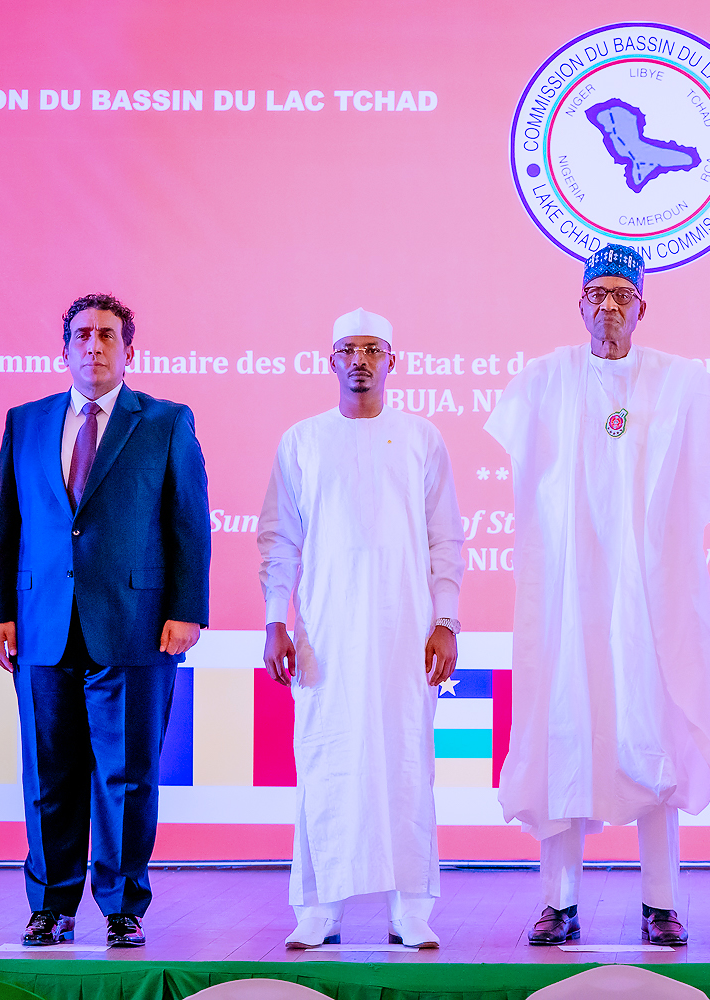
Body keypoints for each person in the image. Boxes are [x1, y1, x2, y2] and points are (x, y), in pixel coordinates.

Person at [486, 244, 710, 947]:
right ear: (578, 305)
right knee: (568, 730)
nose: (609, 307)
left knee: (654, 732)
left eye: (622, 295)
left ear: (643, 306)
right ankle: (558, 903)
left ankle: (661, 904)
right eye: (596, 294)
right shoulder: (541, 382)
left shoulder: (682, 384)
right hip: (569, 597)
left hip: (653, 598)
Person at [0, 293, 211, 947]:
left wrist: (186, 611)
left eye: (107, 335)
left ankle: (122, 906)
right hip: (41, 626)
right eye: (82, 335)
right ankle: (50, 908)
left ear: (127, 349)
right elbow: (6, 523)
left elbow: (188, 523)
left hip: (136, 624)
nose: (93, 345)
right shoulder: (25, 422)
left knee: (127, 774)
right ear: (64, 348)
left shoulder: (165, 421)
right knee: (47, 774)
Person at [258, 307, 465, 950]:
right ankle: (320, 908)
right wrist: (275, 619)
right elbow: (278, 539)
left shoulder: (423, 439)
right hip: (325, 633)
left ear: (392, 361)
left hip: (406, 633)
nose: (361, 361)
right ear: (331, 361)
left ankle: (412, 909)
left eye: (373, 349)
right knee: (327, 763)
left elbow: (445, 539)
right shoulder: (302, 441)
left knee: (408, 762)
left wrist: (446, 619)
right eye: (349, 349)